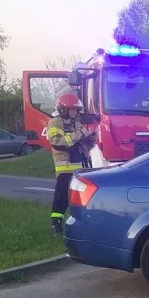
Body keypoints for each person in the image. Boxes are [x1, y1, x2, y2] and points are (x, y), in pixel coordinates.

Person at [47, 93, 95, 235]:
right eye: (74, 109)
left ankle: (79, 224)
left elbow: (82, 142)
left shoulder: (76, 123)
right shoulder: (55, 123)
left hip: (80, 168)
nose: (77, 112)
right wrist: (79, 135)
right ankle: (56, 224)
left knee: (81, 197)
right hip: (65, 168)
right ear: (64, 109)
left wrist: (90, 139)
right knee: (61, 197)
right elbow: (57, 142)